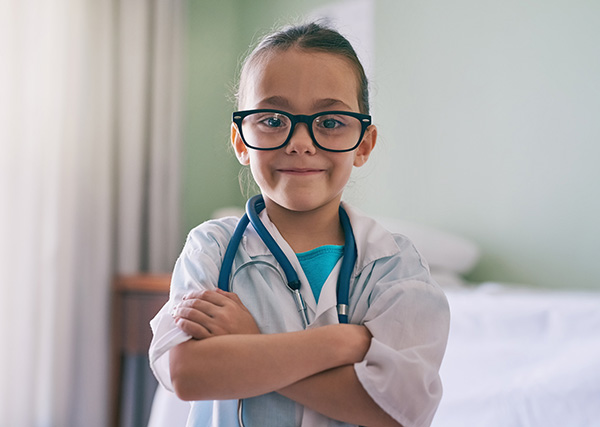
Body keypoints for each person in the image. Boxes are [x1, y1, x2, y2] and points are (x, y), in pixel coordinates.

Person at [149, 22, 450, 427]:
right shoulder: (212, 248)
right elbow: (188, 373)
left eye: (330, 122)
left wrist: (252, 344)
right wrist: (339, 343)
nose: (301, 142)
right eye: (272, 120)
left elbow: (397, 411)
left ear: (364, 144)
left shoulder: (395, 267)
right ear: (241, 141)